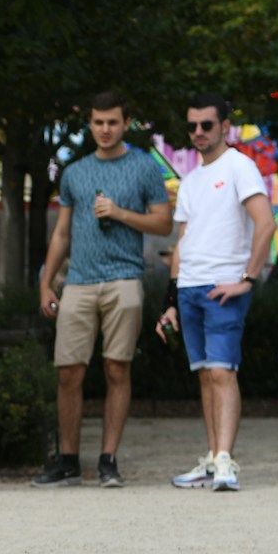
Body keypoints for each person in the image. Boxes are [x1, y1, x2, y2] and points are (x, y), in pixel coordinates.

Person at [32, 91, 172, 488]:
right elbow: (62, 233)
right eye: (98, 122)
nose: (105, 129)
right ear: (90, 124)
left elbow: (163, 223)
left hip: (124, 278)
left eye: (113, 122)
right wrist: (46, 283)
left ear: (126, 123)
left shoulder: (144, 167)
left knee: (116, 367)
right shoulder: (75, 172)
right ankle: (69, 459)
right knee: (68, 371)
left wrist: (120, 213)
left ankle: (109, 459)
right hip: (78, 280)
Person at [156, 93, 276, 492]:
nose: (198, 133)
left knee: (223, 372)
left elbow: (267, 224)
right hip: (189, 287)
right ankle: (211, 460)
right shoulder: (191, 180)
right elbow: (182, 241)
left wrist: (248, 279)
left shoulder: (240, 166)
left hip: (224, 287)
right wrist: (170, 303)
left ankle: (226, 460)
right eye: (192, 126)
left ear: (225, 126)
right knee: (206, 375)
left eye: (207, 125)